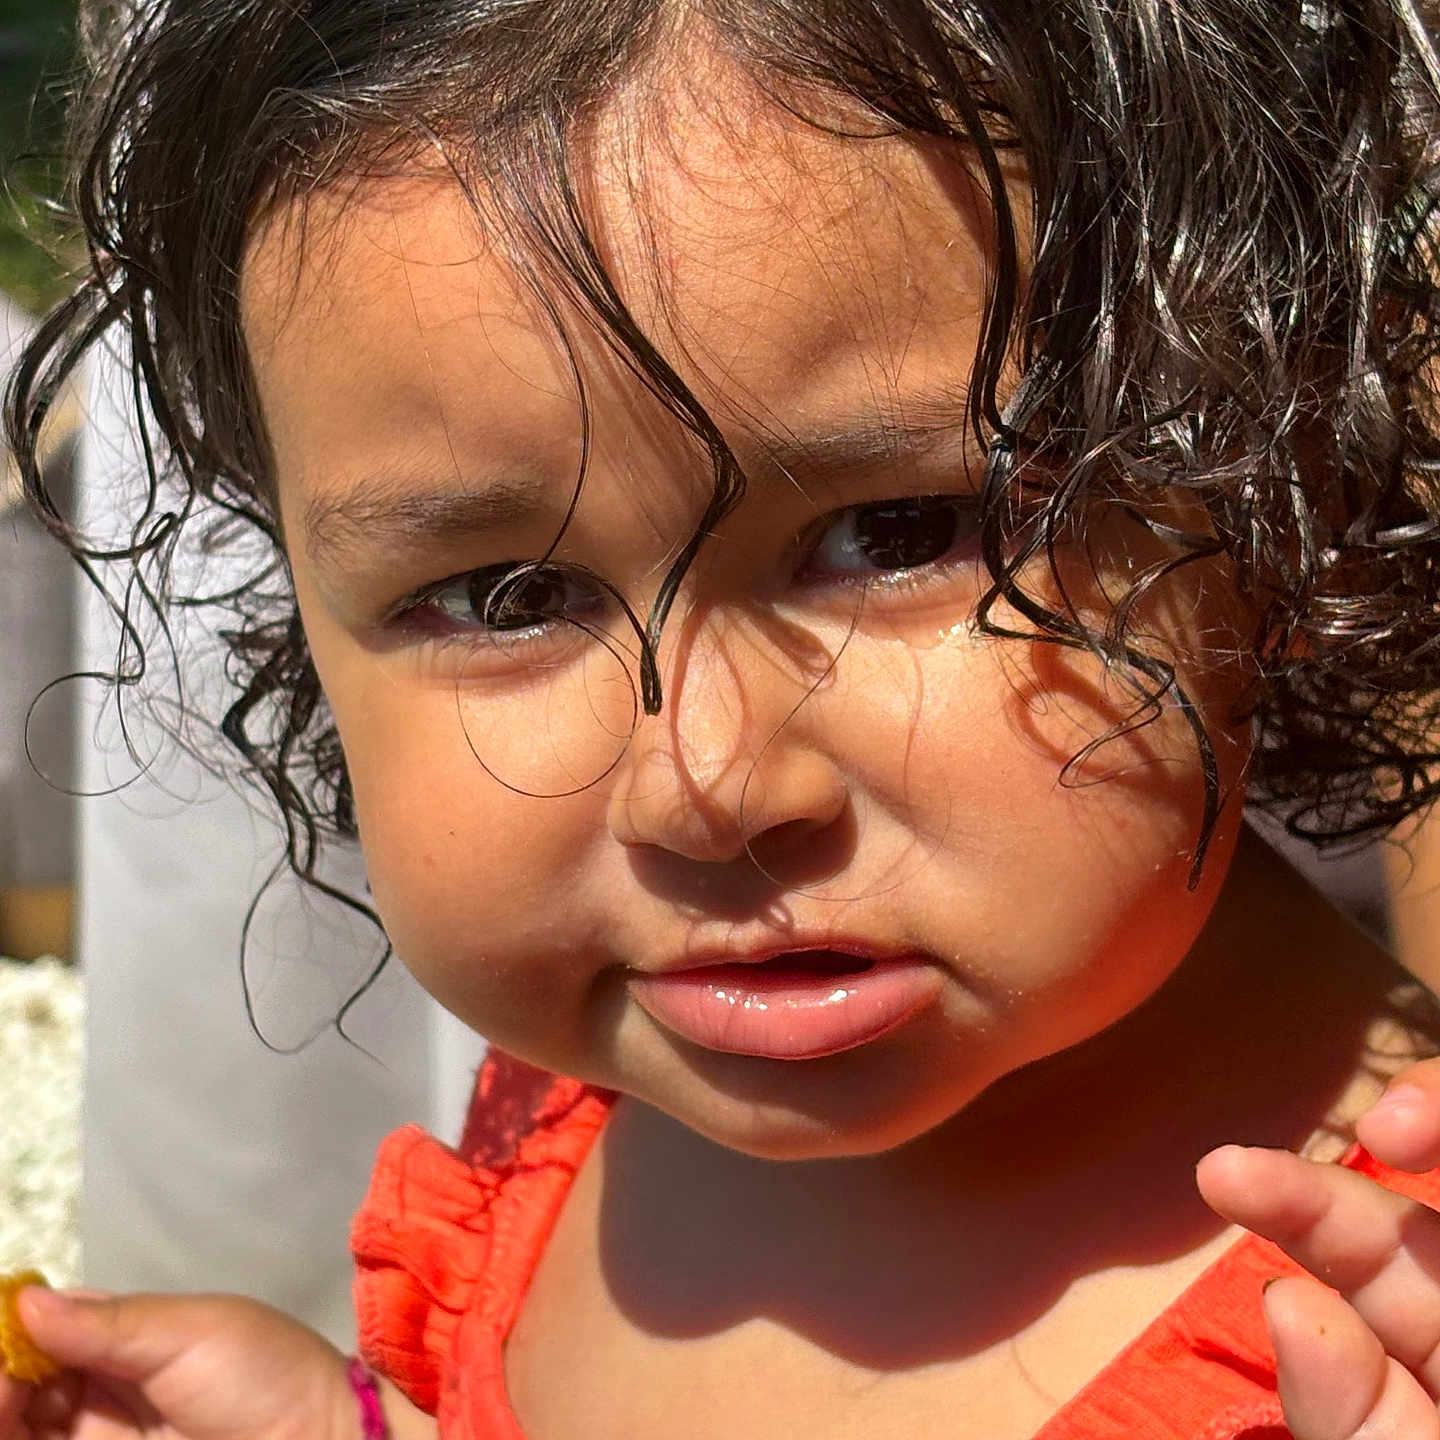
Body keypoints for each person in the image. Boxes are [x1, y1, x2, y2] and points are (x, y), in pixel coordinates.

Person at [3, 2, 1440, 1437]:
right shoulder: (592, 1120)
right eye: (507, 596)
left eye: (896, 532)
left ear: (1280, 471)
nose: (706, 786)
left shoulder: (1396, 1323)